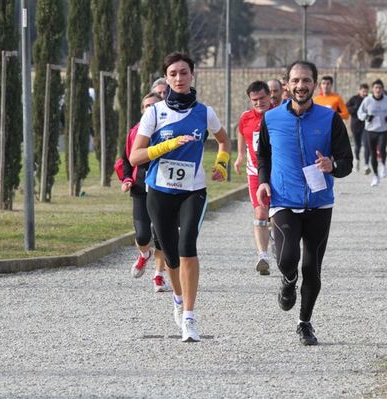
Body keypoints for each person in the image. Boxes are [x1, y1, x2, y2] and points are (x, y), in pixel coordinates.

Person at [130, 52, 230, 343]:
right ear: (167, 77)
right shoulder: (155, 113)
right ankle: (176, 297)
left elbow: (224, 140)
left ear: (192, 75)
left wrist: (221, 163)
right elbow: (135, 156)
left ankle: (189, 317)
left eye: (184, 72)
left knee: (188, 248)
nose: (179, 78)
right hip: (159, 192)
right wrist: (167, 145)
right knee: (171, 256)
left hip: (193, 191)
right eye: (173, 73)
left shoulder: (205, 112)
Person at [256, 60, 353, 346]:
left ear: (314, 83)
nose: (301, 86)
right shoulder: (271, 119)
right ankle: (287, 282)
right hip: (284, 200)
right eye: (295, 80)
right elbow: (264, 156)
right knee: (287, 260)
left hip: (320, 202)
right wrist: (263, 180)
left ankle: (305, 322)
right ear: (286, 84)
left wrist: (331, 164)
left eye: (306, 80)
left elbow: (347, 162)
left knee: (312, 268)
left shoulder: (330, 118)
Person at [119, 92, 172, 293]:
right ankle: (144, 254)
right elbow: (125, 159)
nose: (150, 109)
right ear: (142, 110)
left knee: (160, 235)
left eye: (154, 106)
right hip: (141, 189)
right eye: (146, 106)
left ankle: (158, 276)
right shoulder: (135, 132)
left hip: (163, 187)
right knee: (142, 236)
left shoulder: (169, 130)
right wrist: (127, 179)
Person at [234, 81, 272, 276]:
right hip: (255, 172)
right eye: (255, 100)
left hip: (278, 171)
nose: (259, 103)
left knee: (277, 213)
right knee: (260, 212)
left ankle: (274, 239)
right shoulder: (246, 117)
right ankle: (263, 255)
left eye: (262, 98)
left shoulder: (280, 114)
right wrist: (241, 155)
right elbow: (241, 132)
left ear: (269, 96)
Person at [357, 79, 387, 187]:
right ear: (373, 89)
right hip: (370, 130)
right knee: (372, 154)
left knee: (382, 149)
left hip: (383, 130)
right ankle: (375, 176)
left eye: (380, 88)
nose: (378, 90)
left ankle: (383, 165)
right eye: (376, 88)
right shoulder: (367, 100)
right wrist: (366, 117)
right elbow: (360, 112)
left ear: (383, 89)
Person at [346, 83, 370, 173]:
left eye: (366, 91)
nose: (365, 93)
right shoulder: (354, 99)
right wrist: (354, 109)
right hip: (355, 124)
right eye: (363, 91)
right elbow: (346, 107)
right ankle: (357, 160)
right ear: (359, 91)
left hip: (366, 125)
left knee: (367, 144)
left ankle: (366, 165)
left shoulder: (369, 99)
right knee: (358, 144)